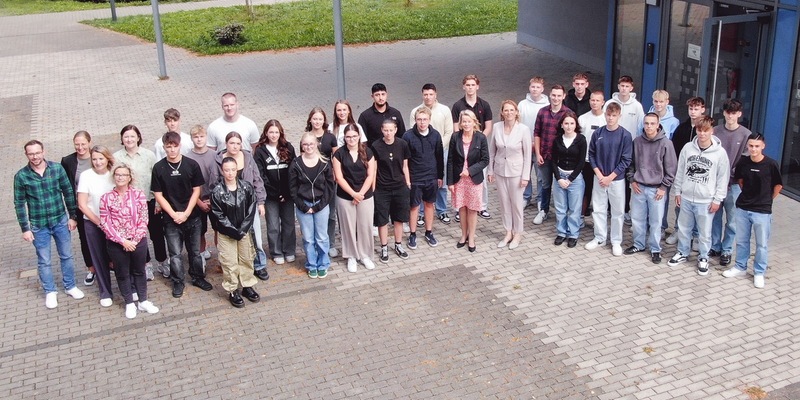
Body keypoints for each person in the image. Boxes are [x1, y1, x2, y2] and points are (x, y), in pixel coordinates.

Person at [14, 140, 85, 309]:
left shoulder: (56, 169)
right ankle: (50, 291)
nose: (35, 156)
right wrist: (25, 228)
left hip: (60, 220)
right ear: (26, 155)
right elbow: (19, 203)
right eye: (31, 154)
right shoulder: (21, 176)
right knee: (44, 260)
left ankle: (70, 286)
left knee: (66, 255)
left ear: (43, 152)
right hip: (39, 225)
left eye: (37, 152)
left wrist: (73, 216)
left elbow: (68, 192)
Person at [667, 116, 729, 276]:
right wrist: (678, 191)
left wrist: (717, 199)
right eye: (699, 130)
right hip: (687, 197)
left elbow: (723, 178)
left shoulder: (720, 153)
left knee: (704, 232)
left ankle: (703, 257)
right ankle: (682, 252)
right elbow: (680, 170)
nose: (702, 134)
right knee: (684, 228)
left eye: (705, 131)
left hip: (706, 200)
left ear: (711, 131)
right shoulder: (688, 148)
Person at [151, 131, 210, 298]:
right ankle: (178, 281)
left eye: (174, 146)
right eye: (168, 147)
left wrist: (186, 212)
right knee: (175, 254)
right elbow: (158, 194)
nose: (172, 150)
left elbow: (196, 190)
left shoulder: (191, 165)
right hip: (171, 219)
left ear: (180, 146)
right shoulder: (159, 168)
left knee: (195, 252)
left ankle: (198, 277)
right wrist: (173, 213)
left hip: (192, 217)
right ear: (164, 148)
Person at [99, 164, 159, 319]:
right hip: (117, 243)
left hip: (137, 241)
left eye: (124, 175)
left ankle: (143, 301)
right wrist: (122, 241)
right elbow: (105, 223)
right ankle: (129, 303)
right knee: (122, 273)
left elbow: (143, 218)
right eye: (118, 174)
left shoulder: (138, 195)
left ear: (130, 177)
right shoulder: (106, 198)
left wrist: (135, 239)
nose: (120, 177)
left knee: (139, 271)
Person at [722, 133, 782, 288]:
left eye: (757, 146)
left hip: (762, 211)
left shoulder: (771, 164)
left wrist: (766, 199)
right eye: (751, 146)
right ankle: (740, 267)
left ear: (763, 146)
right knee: (741, 240)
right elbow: (740, 181)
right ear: (747, 146)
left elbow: (778, 186)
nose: (753, 149)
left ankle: (759, 272)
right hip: (743, 208)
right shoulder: (743, 162)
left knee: (761, 244)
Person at [209, 132, 269, 280]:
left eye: (237, 143)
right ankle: (234, 269)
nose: (234, 146)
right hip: (227, 207)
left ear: (241, 144)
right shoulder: (218, 160)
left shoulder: (248, 158)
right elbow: (213, 184)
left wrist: (260, 202)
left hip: (248, 205)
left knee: (256, 238)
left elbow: (257, 180)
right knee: (230, 238)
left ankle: (259, 264)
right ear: (226, 144)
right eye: (231, 143)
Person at [624, 113, 677, 264]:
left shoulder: (666, 143)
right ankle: (639, 245)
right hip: (639, 186)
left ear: (658, 124)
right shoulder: (637, 141)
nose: (649, 126)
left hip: (657, 190)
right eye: (646, 123)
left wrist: (663, 187)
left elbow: (671, 168)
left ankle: (655, 249)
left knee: (655, 222)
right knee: (637, 219)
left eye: (652, 123)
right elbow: (631, 163)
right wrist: (632, 180)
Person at [210, 157, 261, 307]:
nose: (230, 173)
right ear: (222, 171)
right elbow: (218, 215)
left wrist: (243, 229)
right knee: (229, 262)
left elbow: (251, 209)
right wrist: (232, 231)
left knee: (246, 258)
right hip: (226, 234)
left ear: (237, 169)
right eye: (227, 170)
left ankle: (247, 285)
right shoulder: (217, 192)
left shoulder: (246, 187)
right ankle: (232, 289)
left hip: (243, 231)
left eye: (233, 169)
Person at [585, 102, 633, 256]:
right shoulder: (598, 133)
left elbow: (626, 160)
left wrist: (610, 177)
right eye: (608, 115)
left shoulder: (625, 135)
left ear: (619, 116)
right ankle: (599, 237)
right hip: (599, 178)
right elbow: (591, 154)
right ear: (604, 115)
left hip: (616, 180)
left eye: (614, 116)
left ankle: (616, 241)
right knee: (598, 209)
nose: (611, 118)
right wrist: (599, 175)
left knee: (617, 211)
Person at [113, 125, 159, 281]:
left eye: (132, 136)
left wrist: (158, 201)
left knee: (157, 233)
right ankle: (146, 265)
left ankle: (163, 261)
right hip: (129, 205)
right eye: (126, 137)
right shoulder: (116, 157)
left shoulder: (149, 155)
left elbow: (157, 179)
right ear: (122, 139)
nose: (129, 139)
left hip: (149, 200)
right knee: (138, 236)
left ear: (138, 137)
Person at [710, 99, 751, 266]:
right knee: (715, 217)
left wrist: (730, 176)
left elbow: (745, 161)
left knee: (732, 220)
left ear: (739, 114)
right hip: (715, 183)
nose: (730, 116)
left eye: (734, 113)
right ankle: (715, 246)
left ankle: (727, 250)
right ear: (724, 113)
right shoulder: (716, 131)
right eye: (728, 112)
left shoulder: (746, 134)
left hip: (734, 185)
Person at [289, 132, 335, 278]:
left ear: (317, 145)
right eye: (305, 144)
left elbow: (329, 187)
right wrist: (304, 206)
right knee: (308, 238)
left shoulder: (325, 163)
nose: (308, 147)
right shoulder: (296, 164)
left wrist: (318, 206)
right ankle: (311, 264)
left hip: (321, 205)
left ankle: (323, 263)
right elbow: (293, 188)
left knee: (321, 237)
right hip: (303, 205)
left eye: (311, 144)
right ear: (302, 146)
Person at [333, 124, 377, 272]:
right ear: (344, 138)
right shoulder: (339, 154)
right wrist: (353, 194)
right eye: (348, 137)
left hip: (365, 195)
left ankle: (364, 255)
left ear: (359, 136)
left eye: (354, 136)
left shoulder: (368, 152)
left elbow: (371, 175)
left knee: (365, 226)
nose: (351, 139)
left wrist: (360, 194)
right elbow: (339, 177)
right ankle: (351, 256)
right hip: (345, 196)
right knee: (348, 227)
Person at [488, 100, 531, 249]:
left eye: (512, 110)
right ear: (502, 112)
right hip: (500, 171)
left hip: (517, 173)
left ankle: (518, 233)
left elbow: (527, 155)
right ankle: (508, 232)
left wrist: (526, 176)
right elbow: (492, 151)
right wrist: (490, 170)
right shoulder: (497, 127)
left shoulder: (524, 130)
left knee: (517, 204)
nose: (509, 113)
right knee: (504, 203)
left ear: (517, 112)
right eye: (506, 110)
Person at [409, 83, 454, 224]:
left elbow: (449, 131)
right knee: (420, 184)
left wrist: (439, 146)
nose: (428, 97)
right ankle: (421, 213)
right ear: (422, 95)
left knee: (440, 182)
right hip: (421, 154)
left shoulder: (444, 110)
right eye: (425, 94)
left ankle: (441, 210)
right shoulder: (415, 111)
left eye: (431, 94)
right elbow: (413, 132)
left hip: (441, 150)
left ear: (436, 95)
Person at [254, 120, 297, 265]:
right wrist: (273, 193)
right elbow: (260, 175)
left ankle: (289, 250)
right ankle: (276, 251)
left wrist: (286, 192)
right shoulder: (260, 151)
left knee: (289, 224)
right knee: (272, 225)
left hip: (288, 194)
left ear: (281, 133)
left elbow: (293, 170)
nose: (273, 135)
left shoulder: (288, 147)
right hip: (270, 196)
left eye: (276, 132)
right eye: (271, 132)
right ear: (266, 133)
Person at [77, 145, 115, 306]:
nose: (98, 162)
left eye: (101, 158)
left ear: (107, 158)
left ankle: (130, 287)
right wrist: (99, 223)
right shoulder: (86, 176)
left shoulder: (114, 174)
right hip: (93, 223)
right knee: (98, 257)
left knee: (118, 257)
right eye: (94, 159)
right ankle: (105, 292)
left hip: (115, 223)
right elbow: (82, 204)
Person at [665, 96, 706, 244]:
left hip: (700, 176)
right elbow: (674, 151)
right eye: (691, 109)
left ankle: (696, 236)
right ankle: (678, 230)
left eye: (696, 109)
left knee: (699, 207)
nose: (693, 112)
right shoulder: (682, 128)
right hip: (683, 174)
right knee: (680, 204)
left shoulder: (706, 130)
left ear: (703, 109)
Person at [452, 74, 493, 220]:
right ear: (464, 86)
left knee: (480, 180)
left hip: (478, 148)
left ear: (477, 86)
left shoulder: (484, 105)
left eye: (472, 85)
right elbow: (456, 128)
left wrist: (479, 140)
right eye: (467, 85)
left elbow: (488, 126)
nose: (470, 87)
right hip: (462, 147)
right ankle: (459, 208)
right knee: (460, 179)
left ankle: (482, 207)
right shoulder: (457, 106)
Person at [448, 110, 490, 252]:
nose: (466, 124)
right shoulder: (455, 137)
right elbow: (450, 160)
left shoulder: (481, 138)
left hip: (474, 179)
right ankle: (463, 235)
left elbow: (485, 160)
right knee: (462, 208)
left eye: (469, 121)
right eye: (464, 121)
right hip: (458, 179)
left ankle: (471, 237)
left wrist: (470, 170)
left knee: (472, 209)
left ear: (474, 122)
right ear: (460, 123)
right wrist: (450, 182)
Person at [403, 107, 444, 250]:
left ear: (429, 120)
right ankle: (413, 234)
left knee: (429, 204)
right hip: (415, 178)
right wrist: (407, 179)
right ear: (415, 120)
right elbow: (405, 161)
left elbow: (439, 157)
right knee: (414, 206)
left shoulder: (436, 135)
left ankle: (428, 232)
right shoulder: (407, 136)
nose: (422, 122)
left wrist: (440, 176)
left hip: (431, 177)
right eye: (419, 119)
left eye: (425, 119)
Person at [372, 119, 412, 263]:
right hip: (382, 188)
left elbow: (405, 165)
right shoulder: (376, 146)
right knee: (382, 220)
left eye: (391, 130)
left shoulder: (402, 144)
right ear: (382, 130)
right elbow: (374, 168)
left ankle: (398, 244)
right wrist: (373, 188)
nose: (388, 133)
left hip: (399, 187)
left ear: (396, 130)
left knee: (398, 218)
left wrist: (407, 183)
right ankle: (384, 247)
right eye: (386, 130)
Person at [533, 84, 572, 225]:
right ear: (550, 95)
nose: (556, 98)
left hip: (561, 158)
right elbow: (536, 133)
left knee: (562, 185)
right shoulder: (542, 112)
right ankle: (543, 210)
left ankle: (564, 213)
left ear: (564, 96)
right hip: (544, 155)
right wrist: (537, 154)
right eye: (553, 95)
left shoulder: (568, 114)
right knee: (545, 184)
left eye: (559, 95)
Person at [60, 131, 95, 286]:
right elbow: (67, 189)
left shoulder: (98, 156)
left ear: (89, 142)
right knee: (85, 238)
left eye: (83, 144)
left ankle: (109, 264)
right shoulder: (67, 161)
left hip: (100, 205)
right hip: (81, 207)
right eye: (77, 144)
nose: (80, 147)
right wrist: (72, 215)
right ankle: (92, 269)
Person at [306, 107, 339, 258]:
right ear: (310, 120)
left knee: (331, 214)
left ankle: (330, 243)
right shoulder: (306, 137)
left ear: (324, 121)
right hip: (312, 182)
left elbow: (337, 158)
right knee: (313, 214)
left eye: (320, 119)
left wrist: (337, 175)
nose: (317, 122)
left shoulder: (330, 137)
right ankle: (314, 243)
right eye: (315, 119)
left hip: (328, 180)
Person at [550, 111, 586, 248]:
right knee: (560, 208)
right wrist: (559, 178)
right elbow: (553, 161)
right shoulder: (557, 140)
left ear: (576, 124)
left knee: (574, 209)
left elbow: (581, 162)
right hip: (559, 176)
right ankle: (561, 232)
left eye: (572, 123)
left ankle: (573, 234)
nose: (569, 126)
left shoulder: (581, 139)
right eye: (566, 123)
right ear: (562, 125)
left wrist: (570, 179)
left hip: (574, 179)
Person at [184, 125, 218, 265]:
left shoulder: (215, 156)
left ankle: (222, 255)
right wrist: (199, 202)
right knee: (199, 230)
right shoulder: (186, 158)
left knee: (218, 229)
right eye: (196, 137)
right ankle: (201, 257)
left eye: (201, 136)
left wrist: (212, 199)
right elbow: (186, 185)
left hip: (214, 199)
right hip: (196, 200)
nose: (199, 139)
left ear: (206, 137)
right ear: (191, 139)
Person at [519, 76, 549, 209]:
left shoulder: (547, 105)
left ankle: (540, 199)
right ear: (529, 87)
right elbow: (518, 125)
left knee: (540, 175)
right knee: (525, 173)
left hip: (540, 147)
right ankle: (526, 196)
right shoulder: (522, 104)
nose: (535, 89)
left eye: (538, 87)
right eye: (533, 87)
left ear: (542, 89)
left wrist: (537, 144)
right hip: (524, 145)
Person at [577, 91, 606, 219]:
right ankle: (582, 215)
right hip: (586, 160)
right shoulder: (582, 118)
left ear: (603, 102)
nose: (594, 103)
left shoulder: (607, 118)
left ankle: (599, 217)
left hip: (602, 162)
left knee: (600, 191)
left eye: (597, 100)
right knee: (585, 188)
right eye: (592, 100)